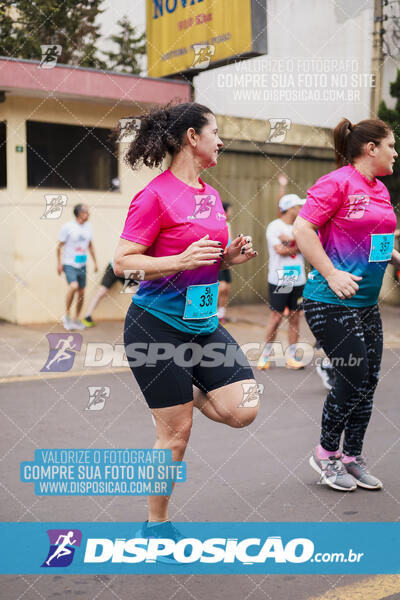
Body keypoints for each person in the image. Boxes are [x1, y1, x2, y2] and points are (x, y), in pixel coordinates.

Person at [114, 103, 260, 551]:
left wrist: (228, 256)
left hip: (203, 324)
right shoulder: (154, 196)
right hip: (156, 327)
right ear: (192, 138)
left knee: (245, 407)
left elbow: (207, 254)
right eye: (216, 131)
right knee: (175, 435)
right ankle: (156, 525)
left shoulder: (210, 195)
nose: (221, 140)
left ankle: (186, 391)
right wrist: (176, 262)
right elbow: (122, 262)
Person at [293, 117, 399, 492]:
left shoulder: (381, 191)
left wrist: (395, 258)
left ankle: (352, 457)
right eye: (391, 145)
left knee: (368, 381)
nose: (395, 152)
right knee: (352, 377)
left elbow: (377, 239)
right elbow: (302, 229)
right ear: (371, 149)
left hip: (366, 303)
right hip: (329, 300)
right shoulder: (336, 182)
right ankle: (325, 454)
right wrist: (332, 272)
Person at [257, 194, 307, 370]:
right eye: (298, 206)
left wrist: (290, 240)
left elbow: (308, 245)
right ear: (290, 208)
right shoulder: (274, 226)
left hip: (299, 279)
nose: (301, 209)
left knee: (295, 317)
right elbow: (279, 250)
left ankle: (292, 357)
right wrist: (299, 243)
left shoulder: (301, 226)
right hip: (281, 279)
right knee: (276, 317)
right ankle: (265, 356)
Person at [57, 204, 98, 331]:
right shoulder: (68, 227)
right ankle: (67, 314)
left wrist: (95, 262)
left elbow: (90, 245)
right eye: (86, 211)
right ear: (79, 213)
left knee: (81, 292)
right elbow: (59, 246)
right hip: (69, 263)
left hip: (82, 264)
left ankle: (75, 319)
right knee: (73, 286)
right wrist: (59, 263)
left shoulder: (88, 227)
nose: (88, 214)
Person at [82, 260, 125, 327]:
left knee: (137, 291)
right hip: (113, 268)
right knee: (101, 292)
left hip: (127, 271)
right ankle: (87, 316)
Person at [217, 202, 233, 324]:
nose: (230, 213)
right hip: (218, 259)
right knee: (220, 287)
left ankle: (222, 314)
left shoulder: (228, 224)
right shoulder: (218, 224)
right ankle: (213, 313)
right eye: (229, 210)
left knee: (226, 287)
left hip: (227, 259)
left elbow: (230, 242)